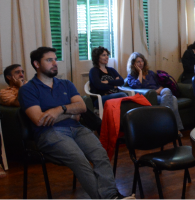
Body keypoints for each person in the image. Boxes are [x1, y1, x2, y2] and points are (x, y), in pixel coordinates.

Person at [18, 47, 132, 199]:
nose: (55, 63)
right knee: (80, 160)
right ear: (36, 64)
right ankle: (108, 198)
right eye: (49, 60)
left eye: (55, 59)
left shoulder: (66, 84)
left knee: (100, 154)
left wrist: (59, 109)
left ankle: (111, 196)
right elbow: (40, 120)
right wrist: (70, 114)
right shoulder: (28, 89)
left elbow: (82, 107)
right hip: (49, 134)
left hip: (77, 129)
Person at [125, 52, 184, 133]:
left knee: (167, 90)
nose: (141, 63)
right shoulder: (131, 76)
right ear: (133, 64)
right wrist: (140, 73)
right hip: (150, 96)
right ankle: (175, 129)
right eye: (138, 61)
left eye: (142, 61)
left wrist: (159, 89)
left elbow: (159, 85)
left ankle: (165, 124)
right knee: (173, 99)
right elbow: (137, 86)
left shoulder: (150, 73)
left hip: (160, 93)